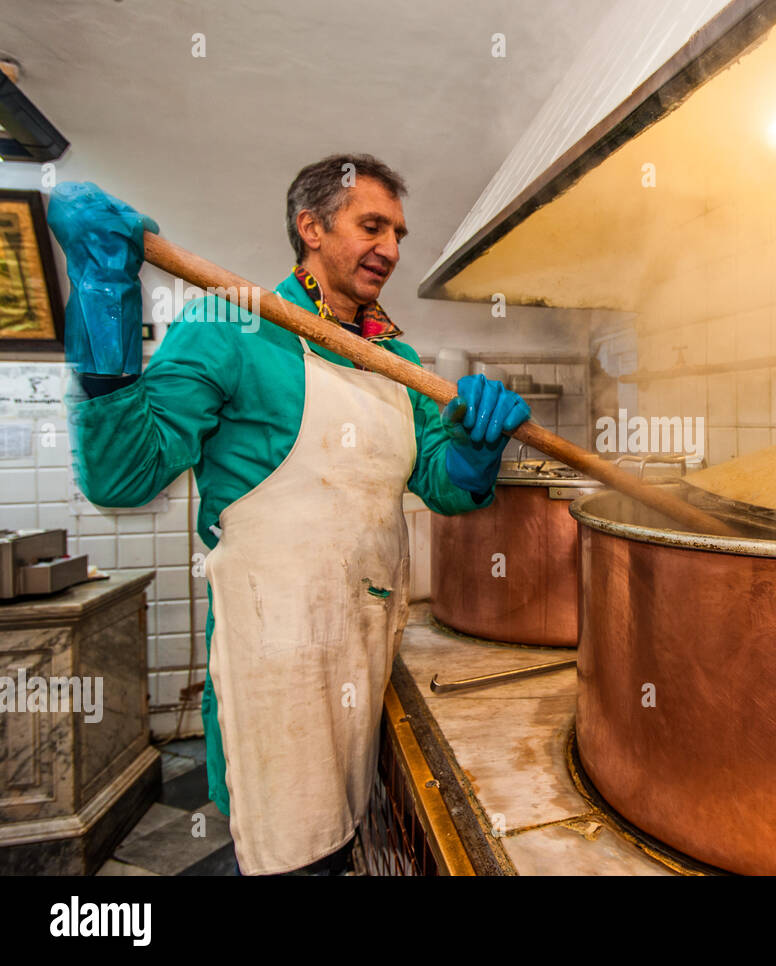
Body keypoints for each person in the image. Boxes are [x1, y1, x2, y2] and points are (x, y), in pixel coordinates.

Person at [50, 154, 530, 875]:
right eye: (372, 226)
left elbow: (441, 485)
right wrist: (103, 297)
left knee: (340, 843)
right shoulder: (230, 322)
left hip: (364, 646)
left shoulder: (396, 357)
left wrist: (475, 448)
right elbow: (123, 475)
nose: (392, 250)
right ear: (311, 227)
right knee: (287, 855)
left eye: (399, 232)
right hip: (277, 658)